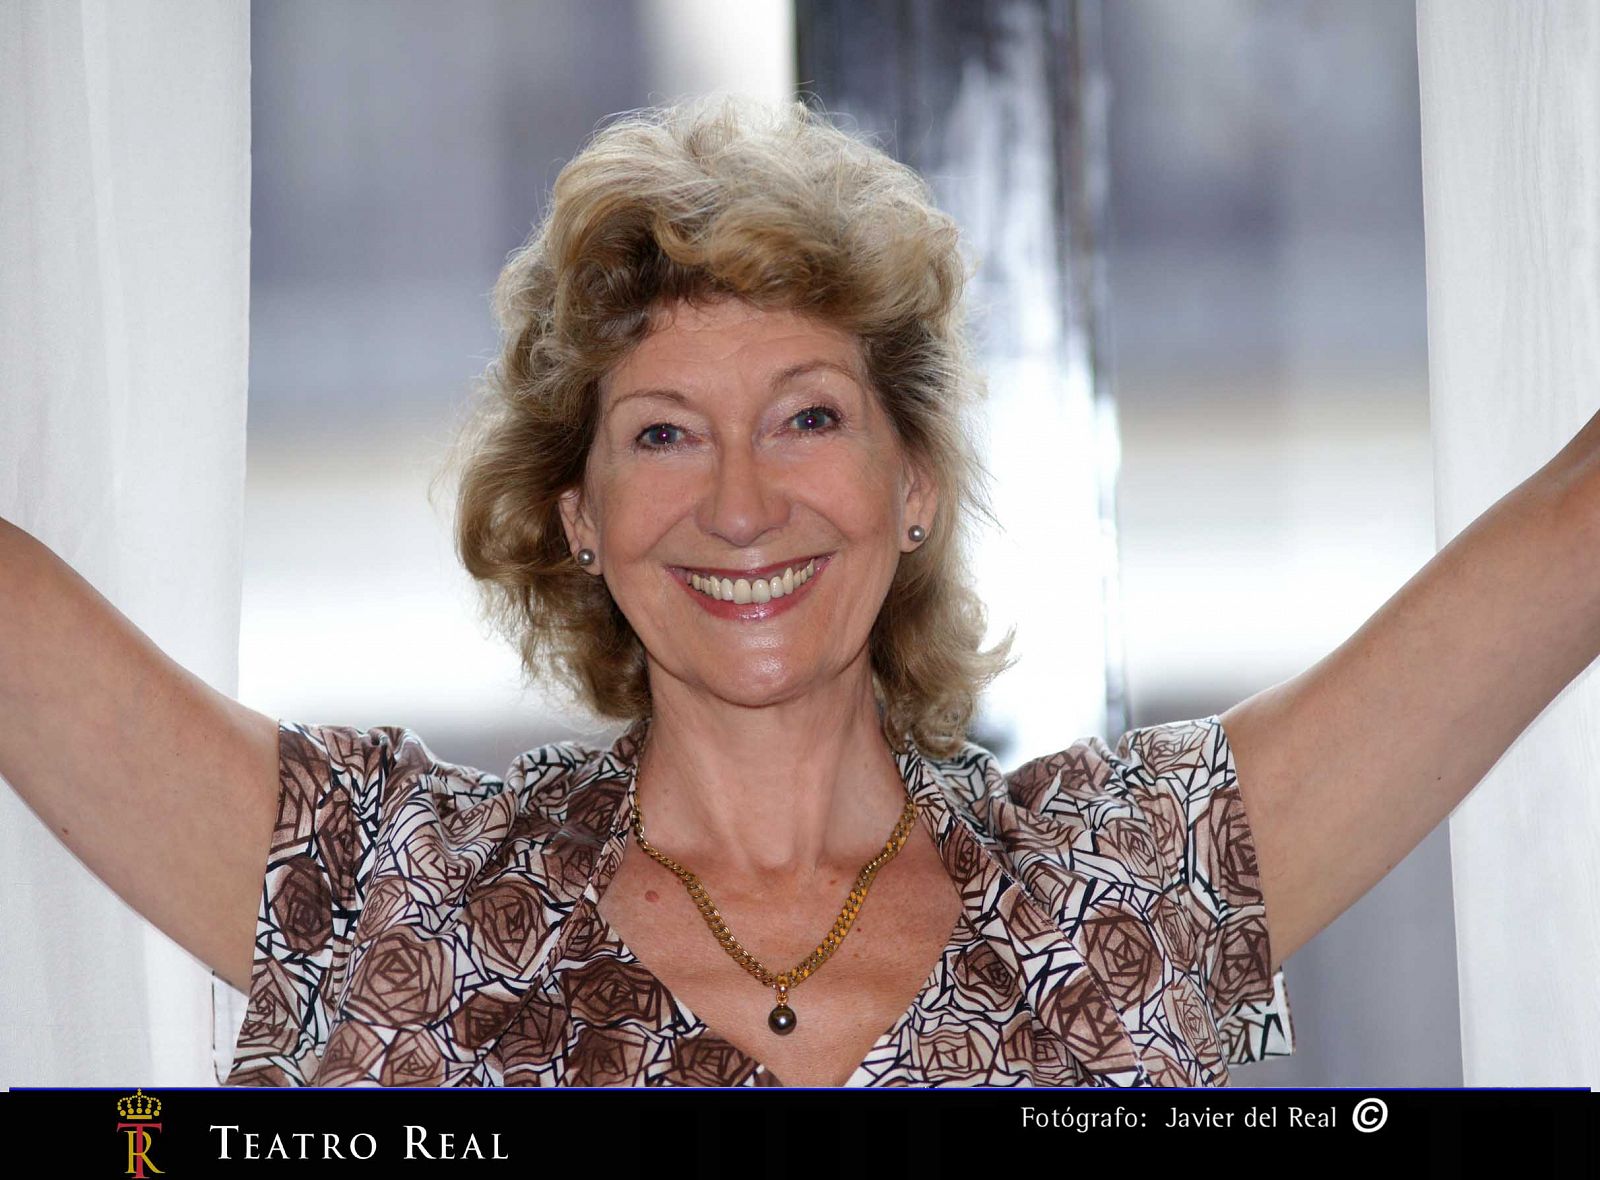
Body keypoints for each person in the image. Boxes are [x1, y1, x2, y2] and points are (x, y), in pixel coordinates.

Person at [2, 95, 1597, 1088]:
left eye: (811, 417)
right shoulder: (381, 890)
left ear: (913, 486)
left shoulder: (1128, 890)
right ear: (577, 515)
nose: (744, 501)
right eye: (665, 433)